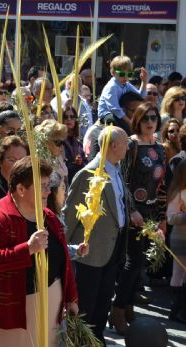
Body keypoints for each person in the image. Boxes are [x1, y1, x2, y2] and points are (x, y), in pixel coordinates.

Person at [0, 156, 78, 346]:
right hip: (15, 310)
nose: (48, 191)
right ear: (20, 189)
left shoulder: (49, 217)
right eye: (42, 186)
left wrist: (71, 297)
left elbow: (65, 261)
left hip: (51, 300)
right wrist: (28, 249)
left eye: (48, 185)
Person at [64, 126, 134, 344]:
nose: (128, 147)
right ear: (113, 146)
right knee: (87, 303)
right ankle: (80, 341)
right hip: (90, 252)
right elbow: (70, 215)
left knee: (104, 301)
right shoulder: (89, 173)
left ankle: (96, 339)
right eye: (124, 143)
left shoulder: (116, 168)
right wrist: (63, 251)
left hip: (112, 249)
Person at [111, 102, 166, 331]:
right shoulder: (131, 145)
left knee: (141, 263)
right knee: (132, 263)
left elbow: (162, 184)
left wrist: (162, 217)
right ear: (138, 120)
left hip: (153, 212)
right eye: (146, 118)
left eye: (154, 118)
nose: (150, 122)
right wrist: (132, 209)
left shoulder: (160, 147)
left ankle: (129, 305)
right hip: (134, 212)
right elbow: (122, 180)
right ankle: (117, 310)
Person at [97, 55, 148, 131]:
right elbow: (115, 109)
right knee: (121, 125)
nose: (125, 77)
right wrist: (129, 122)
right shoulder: (112, 86)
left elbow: (140, 97)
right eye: (122, 74)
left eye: (129, 74)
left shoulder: (126, 84)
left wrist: (144, 81)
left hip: (120, 113)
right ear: (113, 73)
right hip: (107, 114)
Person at [166, 162, 186, 322]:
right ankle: (175, 310)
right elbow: (171, 217)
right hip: (180, 238)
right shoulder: (178, 192)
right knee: (178, 273)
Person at [0, 135, 28, 205]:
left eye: (22, 160)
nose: (18, 164)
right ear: (0, 161)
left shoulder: (26, 187)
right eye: (12, 160)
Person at [61, 103, 86, 183]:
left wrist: (81, 162)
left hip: (78, 182)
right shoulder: (59, 142)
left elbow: (86, 163)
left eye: (72, 117)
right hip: (65, 182)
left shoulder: (78, 143)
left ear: (75, 120)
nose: (69, 119)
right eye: (65, 117)